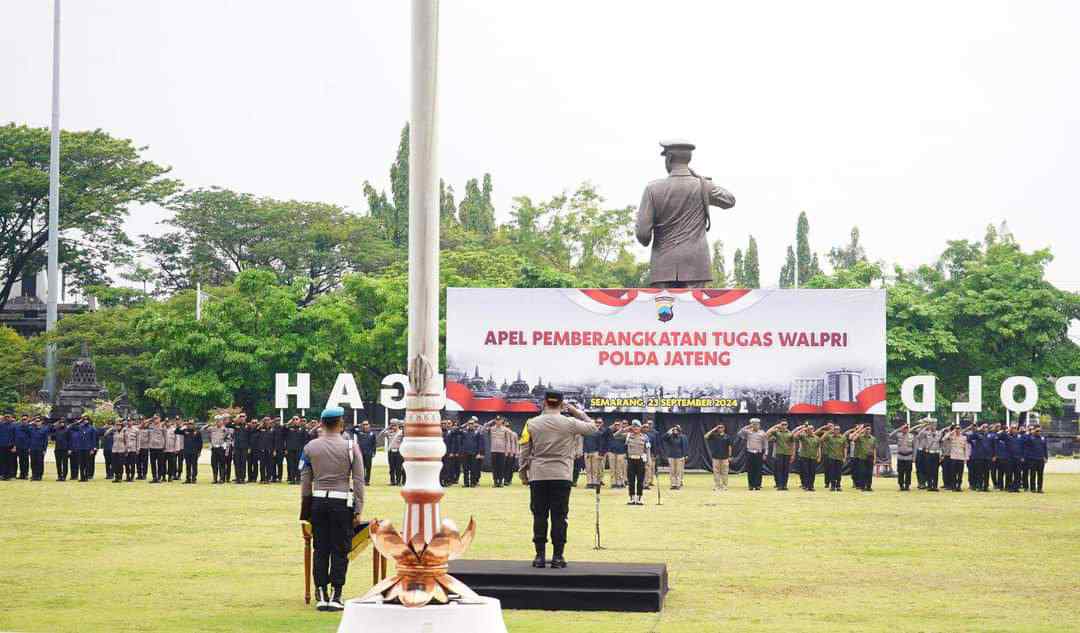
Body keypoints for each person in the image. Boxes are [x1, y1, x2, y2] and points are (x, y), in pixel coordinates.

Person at [635, 139, 736, 288]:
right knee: (693, 310)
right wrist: (701, 179)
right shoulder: (702, 186)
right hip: (696, 267)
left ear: (669, 159)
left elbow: (643, 235)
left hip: (663, 267)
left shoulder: (652, 189)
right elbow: (729, 200)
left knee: (665, 310)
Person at [518, 392, 598, 569]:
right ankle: (558, 556)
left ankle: (539, 556)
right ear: (562, 404)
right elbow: (593, 428)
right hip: (562, 473)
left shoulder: (531, 423)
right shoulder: (569, 423)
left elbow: (524, 449)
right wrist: (576, 411)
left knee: (539, 515)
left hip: (538, 474)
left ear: (544, 402)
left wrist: (523, 472)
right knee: (559, 516)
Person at [299, 406, 365, 612]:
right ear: (340, 423)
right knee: (340, 550)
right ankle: (336, 594)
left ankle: (320, 592)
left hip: (318, 502)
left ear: (321, 423)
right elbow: (359, 479)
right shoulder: (350, 446)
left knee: (321, 548)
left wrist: (306, 509)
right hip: (341, 503)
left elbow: (305, 480)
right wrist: (358, 508)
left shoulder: (310, 447)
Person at [614, 420, 651, 505]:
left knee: (640, 480)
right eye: (634, 427)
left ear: (640, 427)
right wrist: (625, 429)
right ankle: (631, 498)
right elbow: (615, 436)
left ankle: (639, 498)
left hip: (641, 460)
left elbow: (648, 450)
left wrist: (648, 461)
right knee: (631, 480)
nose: (635, 428)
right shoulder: (628, 435)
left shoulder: (645, 437)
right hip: (631, 460)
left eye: (637, 427)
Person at [738, 419, 768, 490]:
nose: (755, 426)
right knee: (750, 470)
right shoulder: (748, 432)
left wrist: (765, 454)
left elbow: (765, 444)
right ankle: (751, 485)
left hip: (759, 453)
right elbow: (739, 433)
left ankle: (758, 485)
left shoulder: (762, 433)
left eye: (757, 424)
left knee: (759, 470)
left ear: (759, 425)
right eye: (753, 424)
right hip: (750, 453)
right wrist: (748, 426)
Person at [485, 417, 515, 488]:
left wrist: (508, 451)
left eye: (499, 420)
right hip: (494, 450)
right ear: (495, 421)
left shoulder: (505, 429)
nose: (498, 422)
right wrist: (491, 421)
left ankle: (501, 482)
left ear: (502, 421)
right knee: (494, 467)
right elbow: (484, 428)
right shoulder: (492, 428)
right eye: (497, 420)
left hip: (502, 451)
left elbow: (510, 438)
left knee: (501, 467)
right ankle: (495, 482)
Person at [913, 419, 942, 491]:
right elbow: (918, 436)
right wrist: (925, 427)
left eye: (934, 425)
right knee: (928, 470)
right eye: (932, 425)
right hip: (928, 453)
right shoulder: (925, 433)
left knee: (935, 470)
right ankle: (929, 485)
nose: (933, 426)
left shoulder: (939, 433)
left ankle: (934, 485)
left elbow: (939, 441)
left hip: (936, 453)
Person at [766, 420, 794, 490]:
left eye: (785, 424)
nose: (784, 426)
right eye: (782, 424)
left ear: (787, 425)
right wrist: (775, 426)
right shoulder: (777, 432)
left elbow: (792, 444)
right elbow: (767, 434)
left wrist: (793, 454)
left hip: (787, 453)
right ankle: (780, 485)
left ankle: (785, 485)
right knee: (779, 470)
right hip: (779, 453)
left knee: (786, 470)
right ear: (780, 425)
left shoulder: (790, 433)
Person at [792, 423, 821, 491]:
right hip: (804, 457)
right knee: (805, 472)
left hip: (813, 457)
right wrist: (803, 428)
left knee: (812, 472)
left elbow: (818, 447)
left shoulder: (817, 438)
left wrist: (819, 456)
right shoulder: (803, 436)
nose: (810, 430)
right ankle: (806, 485)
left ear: (813, 430)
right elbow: (794, 436)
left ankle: (811, 486)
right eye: (809, 429)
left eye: (811, 429)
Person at [704, 422, 732, 491]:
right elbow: (705, 436)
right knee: (716, 472)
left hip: (725, 458)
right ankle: (717, 486)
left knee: (724, 472)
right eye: (719, 427)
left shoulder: (727, 436)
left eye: (721, 427)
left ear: (724, 428)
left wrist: (730, 456)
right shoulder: (714, 435)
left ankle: (724, 486)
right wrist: (714, 429)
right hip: (715, 457)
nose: (720, 429)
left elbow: (730, 447)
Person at [819, 424, 846, 491]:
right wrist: (829, 431)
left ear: (840, 430)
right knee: (832, 472)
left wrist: (844, 457)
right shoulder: (829, 437)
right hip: (831, 457)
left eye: (838, 429)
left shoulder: (843, 437)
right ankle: (833, 486)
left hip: (839, 457)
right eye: (835, 429)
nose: (836, 430)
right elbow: (821, 439)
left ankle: (838, 485)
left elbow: (845, 447)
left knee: (839, 473)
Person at [890, 423, 916, 491]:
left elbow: (914, 447)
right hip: (900, 456)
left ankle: (907, 485)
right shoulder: (899, 435)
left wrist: (914, 457)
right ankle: (901, 485)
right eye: (904, 428)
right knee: (900, 472)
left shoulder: (912, 436)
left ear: (908, 429)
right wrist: (899, 428)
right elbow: (891, 435)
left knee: (908, 472)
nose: (905, 430)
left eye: (906, 428)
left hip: (909, 456)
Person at [662, 425, 688, 489]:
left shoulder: (681, 437)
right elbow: (663, 438)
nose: (675, 431)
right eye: (674, 430)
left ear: (679, 431)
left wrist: (685, 455)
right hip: (671, 456)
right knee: (672, 471)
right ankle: (673, 484)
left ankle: (678, 484)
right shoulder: (670, 437)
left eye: (676, 430)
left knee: (678, 471)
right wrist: (669, 432)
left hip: (679, 457)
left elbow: (684, 446)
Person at [351, 421, 377, 486]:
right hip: (360, 453)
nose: (365, 426)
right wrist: (358, 425)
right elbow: (352, 429)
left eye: (366, 424)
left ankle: (367, 481)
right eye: (364, 424)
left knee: (368, 467)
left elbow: (374, 444)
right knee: (361, 467)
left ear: (369, 425)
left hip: (368, 453)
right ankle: (361, 480)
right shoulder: (359, 432)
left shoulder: (372, 434)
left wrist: (374, 452)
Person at [852, 424, 876, 492]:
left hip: (870, 457)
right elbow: (853, 439)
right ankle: (862, 486)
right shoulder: (860, 437)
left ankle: (869, 486)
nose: (868, 430)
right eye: (866, 429)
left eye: (869, 429)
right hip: (862, 457)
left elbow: (874, 449)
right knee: (862, 472)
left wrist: (875, 458)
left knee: (869, 473)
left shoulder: (873, 438)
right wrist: (860, 431)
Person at [1024, 425, 1048, 493]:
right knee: (1033, 474)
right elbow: (1024, 442)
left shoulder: (1043, 438)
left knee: (1040, 475)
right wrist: (1029, 433)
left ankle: (1039, 488)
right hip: (1032, 459)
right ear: (1034, 431)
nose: (1039, 432)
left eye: (1040, 431)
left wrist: (1046, 457)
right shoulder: (1030, 438)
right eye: (1037, 431)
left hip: (1041, 459)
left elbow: (1045, 448)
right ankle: (1033, 488)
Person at [582, 419, 604, 490]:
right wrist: (586, 451)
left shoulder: (598, 433)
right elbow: (584, 443)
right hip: (587, 452)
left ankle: (594, 483)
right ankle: (589, 483)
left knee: (595, 469)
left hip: (595, 452)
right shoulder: (586, 433)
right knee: (588, 469)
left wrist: (600, 453)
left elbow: (600, 444)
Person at [286, 417, 308, 484]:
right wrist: (289, 422)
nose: (295, 421)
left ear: (299, 421)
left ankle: (298, 479)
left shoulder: (303, 429)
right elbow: (284, 430)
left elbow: (305, 439)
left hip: (299, 450)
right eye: (294, 419)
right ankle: (292, 479)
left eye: (296, 419)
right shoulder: (289, 428)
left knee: (299, 465)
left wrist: (304, 449)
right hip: (290, 449)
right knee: (291, 465)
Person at [0, 415, 15, 480]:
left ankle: (9, 476)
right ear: (4, 419)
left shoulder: (13, 426)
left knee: (10, 461)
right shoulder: (1, 425)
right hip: (2, 446)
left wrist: (14, 446)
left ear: (10, 418)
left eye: (8, 418)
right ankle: (3, 475)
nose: (7, 419)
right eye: (5, 418)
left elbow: (15, 436)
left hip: (10, 446)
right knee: (2, 461)